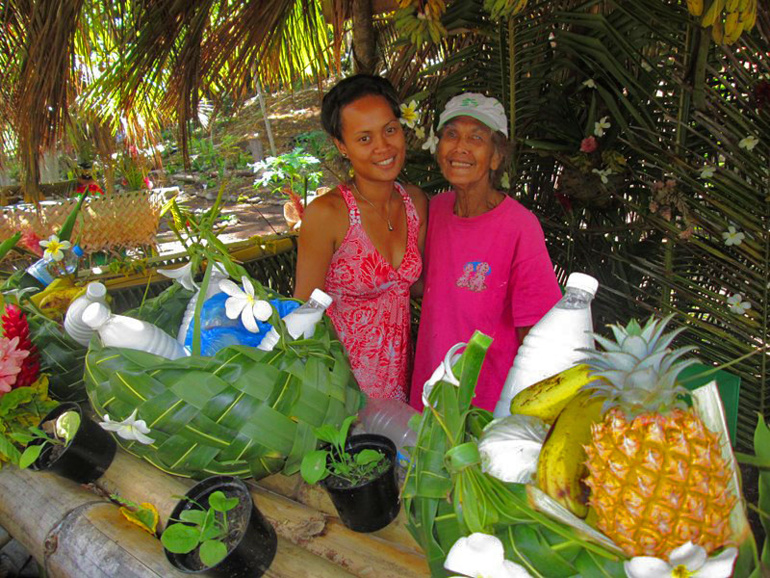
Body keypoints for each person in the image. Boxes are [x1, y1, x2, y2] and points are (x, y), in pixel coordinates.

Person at [410, 93, 562, 412]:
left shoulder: (520, 226)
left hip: (486, 408)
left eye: (476, 138)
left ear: (495, 157)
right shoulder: (431, 211)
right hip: (429, 397)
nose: (460, 147)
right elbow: (416, 284)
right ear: (439, 149)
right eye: (451, 134)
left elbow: (536, 333)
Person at [294, 74, 428, 402]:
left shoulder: (415, 203)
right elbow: (301, 313)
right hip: (341, 393)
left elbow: (419, 287)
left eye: (390, 130)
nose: (383, 147)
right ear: (342, 145)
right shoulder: (328, 214)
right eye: (364, 138)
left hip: (401, 386)